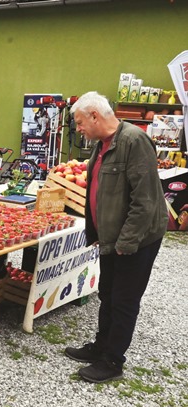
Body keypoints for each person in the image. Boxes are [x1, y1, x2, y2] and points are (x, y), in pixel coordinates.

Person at [65, 91, 167, 383]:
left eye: (81, 122)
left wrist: (126, 242)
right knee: (107, 292)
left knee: (124, 299)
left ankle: (113, 360)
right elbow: (98, 191)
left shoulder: (134, 141)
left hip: (134, 241)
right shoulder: (102, 145)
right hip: (112, 239)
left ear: (95, 116)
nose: (80, 129)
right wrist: (96, 232)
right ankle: (101, 346)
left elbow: (145, 200)